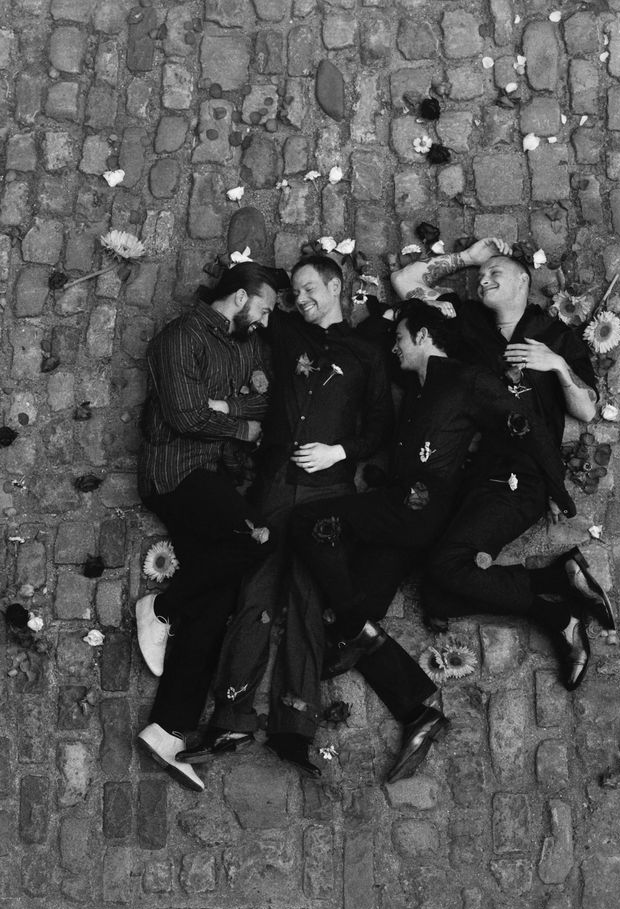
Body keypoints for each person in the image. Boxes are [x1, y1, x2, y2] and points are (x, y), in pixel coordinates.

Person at [289, 300, 574, 782]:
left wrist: (559, 490)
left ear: (423, 337)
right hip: (402, 518)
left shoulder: (465, 379)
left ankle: (360, 632)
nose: (395, 348)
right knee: (358, 608)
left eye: (401, 338)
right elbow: (378, 347)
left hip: (416, 510)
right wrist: (386, 314)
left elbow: (525, 423)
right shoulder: (415, 387)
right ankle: (418, 712)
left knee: (305, 522)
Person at [176, 255, 393, 777]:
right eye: (295, 290)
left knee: (307, 601)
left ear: (337, 286)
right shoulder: (287, 329)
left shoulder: (367, 352)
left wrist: (339, 453)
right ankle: (229, 717)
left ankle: (293, 729)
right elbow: (248, 291)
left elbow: (383, 427)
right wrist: (266, 281)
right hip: (273, 485)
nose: (302, 297)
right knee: (254, 594)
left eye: (311, 287)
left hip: (328, 491)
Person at [391, 240, 615, 692]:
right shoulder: (468, 323)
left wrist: (554, 366)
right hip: (469, 472)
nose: (484, 279)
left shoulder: (555, 336)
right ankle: (558, 580)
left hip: (525, 475)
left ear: (523, 281)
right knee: (437, 590)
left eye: (495, 271)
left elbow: (588, 410)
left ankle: (559, 612)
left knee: (445, 574)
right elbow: (405, 283)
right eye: (481, 275)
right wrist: (466, 259)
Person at [135, 262, 277, 791]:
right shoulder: (180, 337)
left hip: (213, 477)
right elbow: (184, 416)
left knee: (216, 604)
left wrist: (225, 404)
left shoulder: (245, 346)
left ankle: (168, 730)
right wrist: (239, 422)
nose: (263, 322)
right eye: (262, 310)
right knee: (256, 537)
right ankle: (162, 606)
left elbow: (266, 398)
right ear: (240, 297)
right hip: (176, 473)